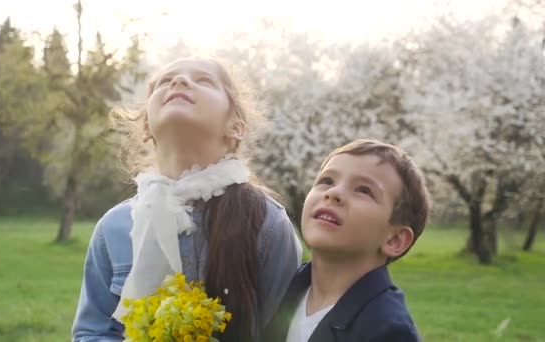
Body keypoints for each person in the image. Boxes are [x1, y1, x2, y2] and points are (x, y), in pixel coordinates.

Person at [71, 57, 302, 342]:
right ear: (146, 127)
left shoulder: (267, 222)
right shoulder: (113, 228)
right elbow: (92, 332)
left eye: (204, 80)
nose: (179, 82)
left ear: (236, 127)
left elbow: (283, 334)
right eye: (166, 81)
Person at [262, 139, 430, 342]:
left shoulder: (388, 331)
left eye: (363, 190)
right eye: (327, 181)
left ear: (395, 240)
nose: (333, 193)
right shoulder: (280, 288)